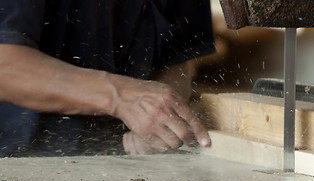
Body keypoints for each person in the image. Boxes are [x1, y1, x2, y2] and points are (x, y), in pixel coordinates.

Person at [0, 0, 215, 157]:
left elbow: (174, 60)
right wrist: (121, 97)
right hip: (16, 167)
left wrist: (160, 121)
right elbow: (7, 67)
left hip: (122, 167)